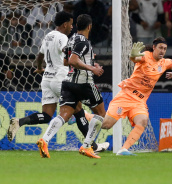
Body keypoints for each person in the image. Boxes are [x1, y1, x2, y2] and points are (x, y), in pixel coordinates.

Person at [7, 12, 108, 155]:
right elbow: (70, 56)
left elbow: (40, 55)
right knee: (78, 111)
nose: (72, 27)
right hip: (60, 78)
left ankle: (20, 122)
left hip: (46, 79)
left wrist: (39, 67)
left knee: (47, 115)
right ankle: (92, 146)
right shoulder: (63, 38)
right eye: (71, 24)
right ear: (65, 24)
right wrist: (88, 60)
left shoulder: (48, 36)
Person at [93, 37, 172, 156]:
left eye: (165, 49)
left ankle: (123, 150)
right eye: (160, 48)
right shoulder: (146, 55)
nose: (162, 51)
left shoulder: (165, 63)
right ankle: (81, 115)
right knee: (106, 124)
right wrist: (132, 55)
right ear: (154, 47)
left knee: (142, 121)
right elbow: (135, 58)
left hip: (140, 101)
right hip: (127, 95)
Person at [36, 14, 106, 159]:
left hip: (68, 83)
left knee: (64, 115)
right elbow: (73, 61)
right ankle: (87, 146)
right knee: (100, 113)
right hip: (84, 83)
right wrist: (92, 69)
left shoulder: (72, 39)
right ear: (89, 26)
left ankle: (45, 139)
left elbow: (66, 61)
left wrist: (90, 64)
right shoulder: (84, 42)